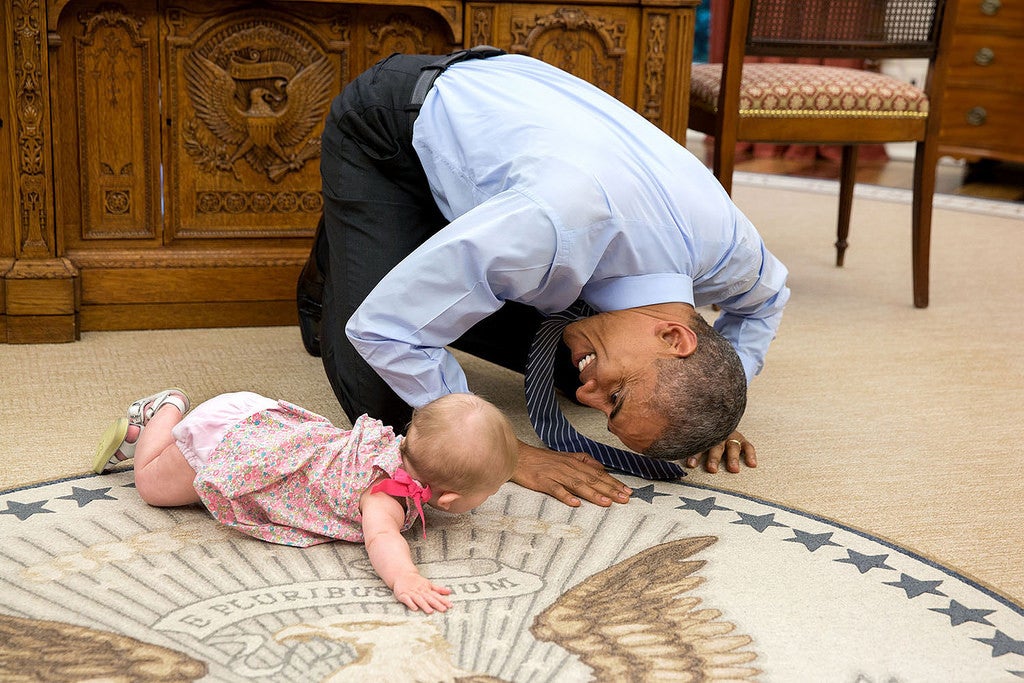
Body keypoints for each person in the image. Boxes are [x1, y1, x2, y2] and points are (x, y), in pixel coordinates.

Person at [296, 48, 790, 510]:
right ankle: (352, 240)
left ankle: (398, 244)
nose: (585, 399)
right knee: (391, 404)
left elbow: (767, 302)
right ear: (674, 335)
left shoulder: (731, 251)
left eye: (606, 408)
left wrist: (712, 409)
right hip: (392, 125)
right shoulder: (553, 228)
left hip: (516, 168)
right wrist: (503, 450)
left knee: (562, 363)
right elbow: (385, 329)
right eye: (614, 399)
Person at [91, 388, 518, 613]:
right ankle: (164, 411)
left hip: (263, 421)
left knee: (163, 473)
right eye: (492, 489)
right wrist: (405, 577)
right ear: (449, 498)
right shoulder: (385, 494)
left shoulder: (394, 446)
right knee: (149, 485)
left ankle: (159, 432)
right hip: (232, 447)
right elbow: (382, 540)